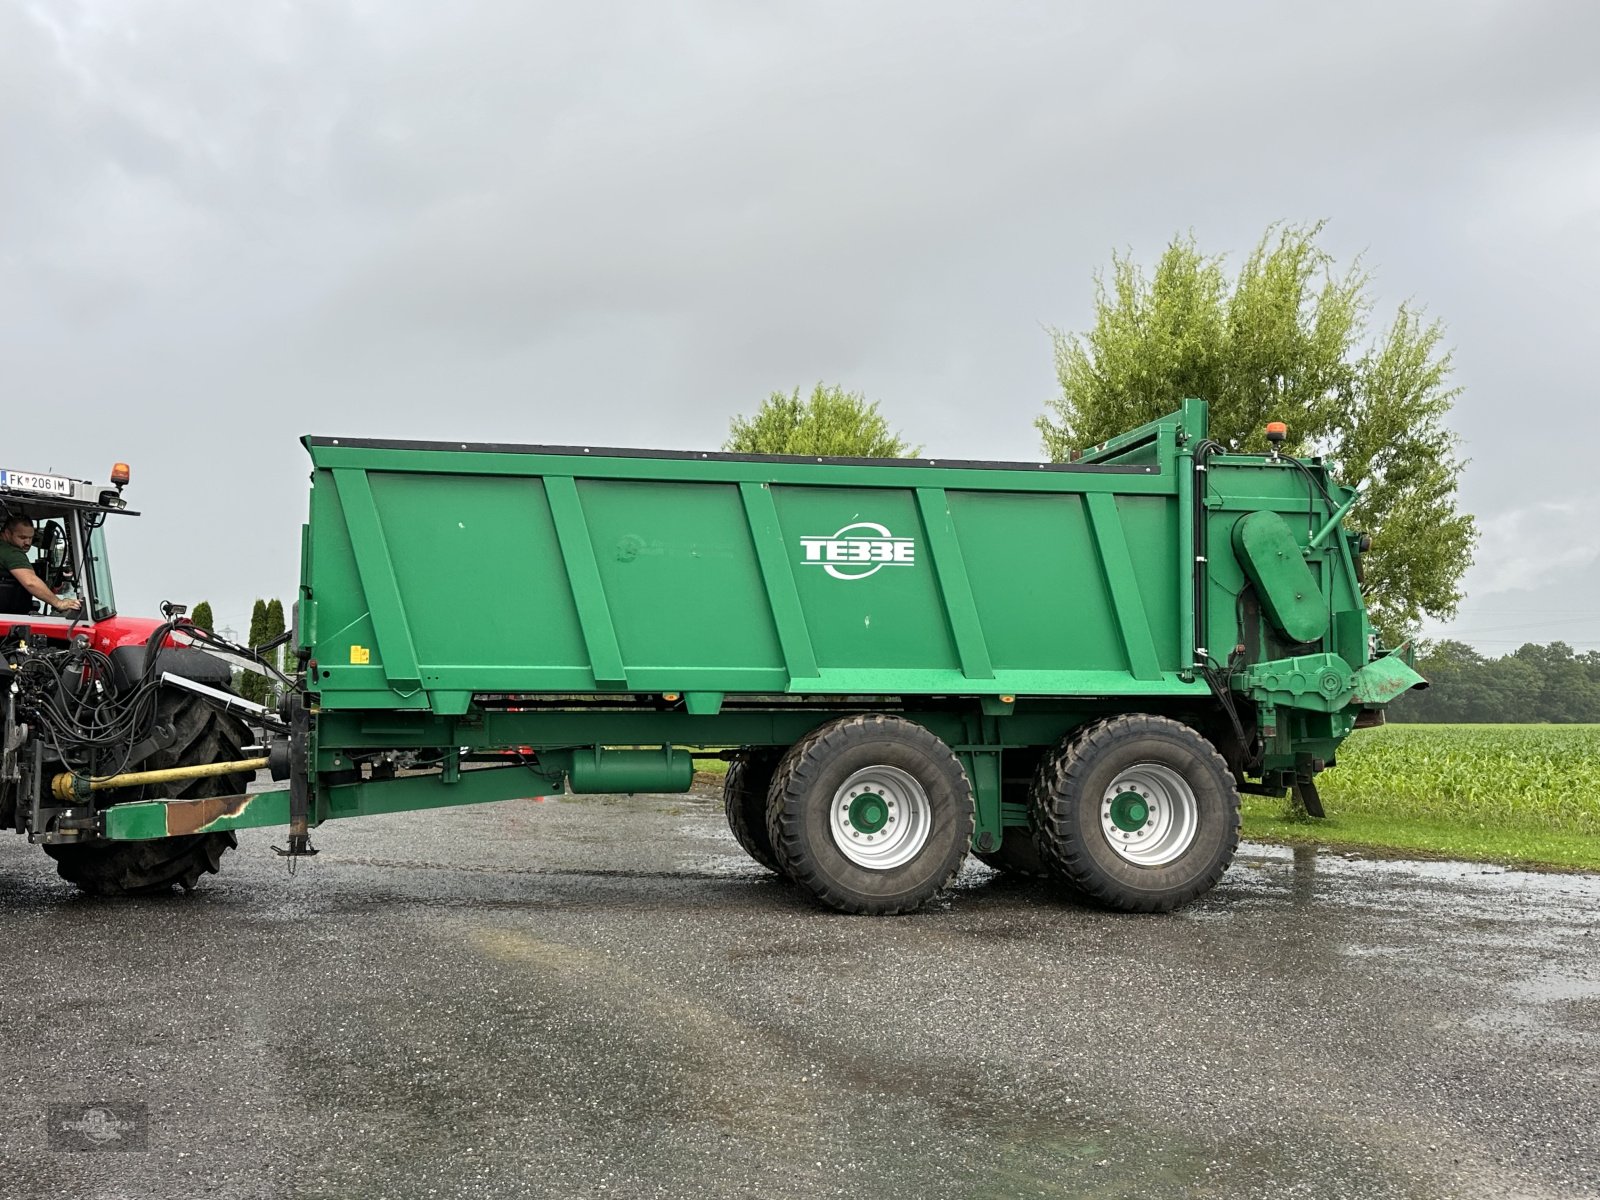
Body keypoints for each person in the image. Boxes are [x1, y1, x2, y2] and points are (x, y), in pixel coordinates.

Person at [0, 514, 82, 616]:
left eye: (31, 538)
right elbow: (31, 582)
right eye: (22, 537)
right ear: (7, 533)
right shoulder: (11, 552)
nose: (28, 543)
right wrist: (59, 602)